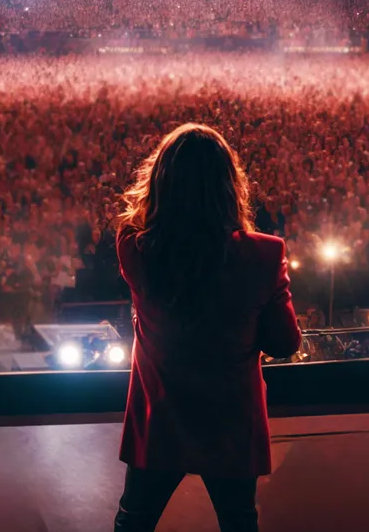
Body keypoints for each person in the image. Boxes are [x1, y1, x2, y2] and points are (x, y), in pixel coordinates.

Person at [112, 124, 301, 532]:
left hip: (160, 415)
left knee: (134, 521)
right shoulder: (265, 254)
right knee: (238, 522)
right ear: (228, 184)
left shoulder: (134, 246)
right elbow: (285, 343)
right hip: (231, 420)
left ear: (159, 181)